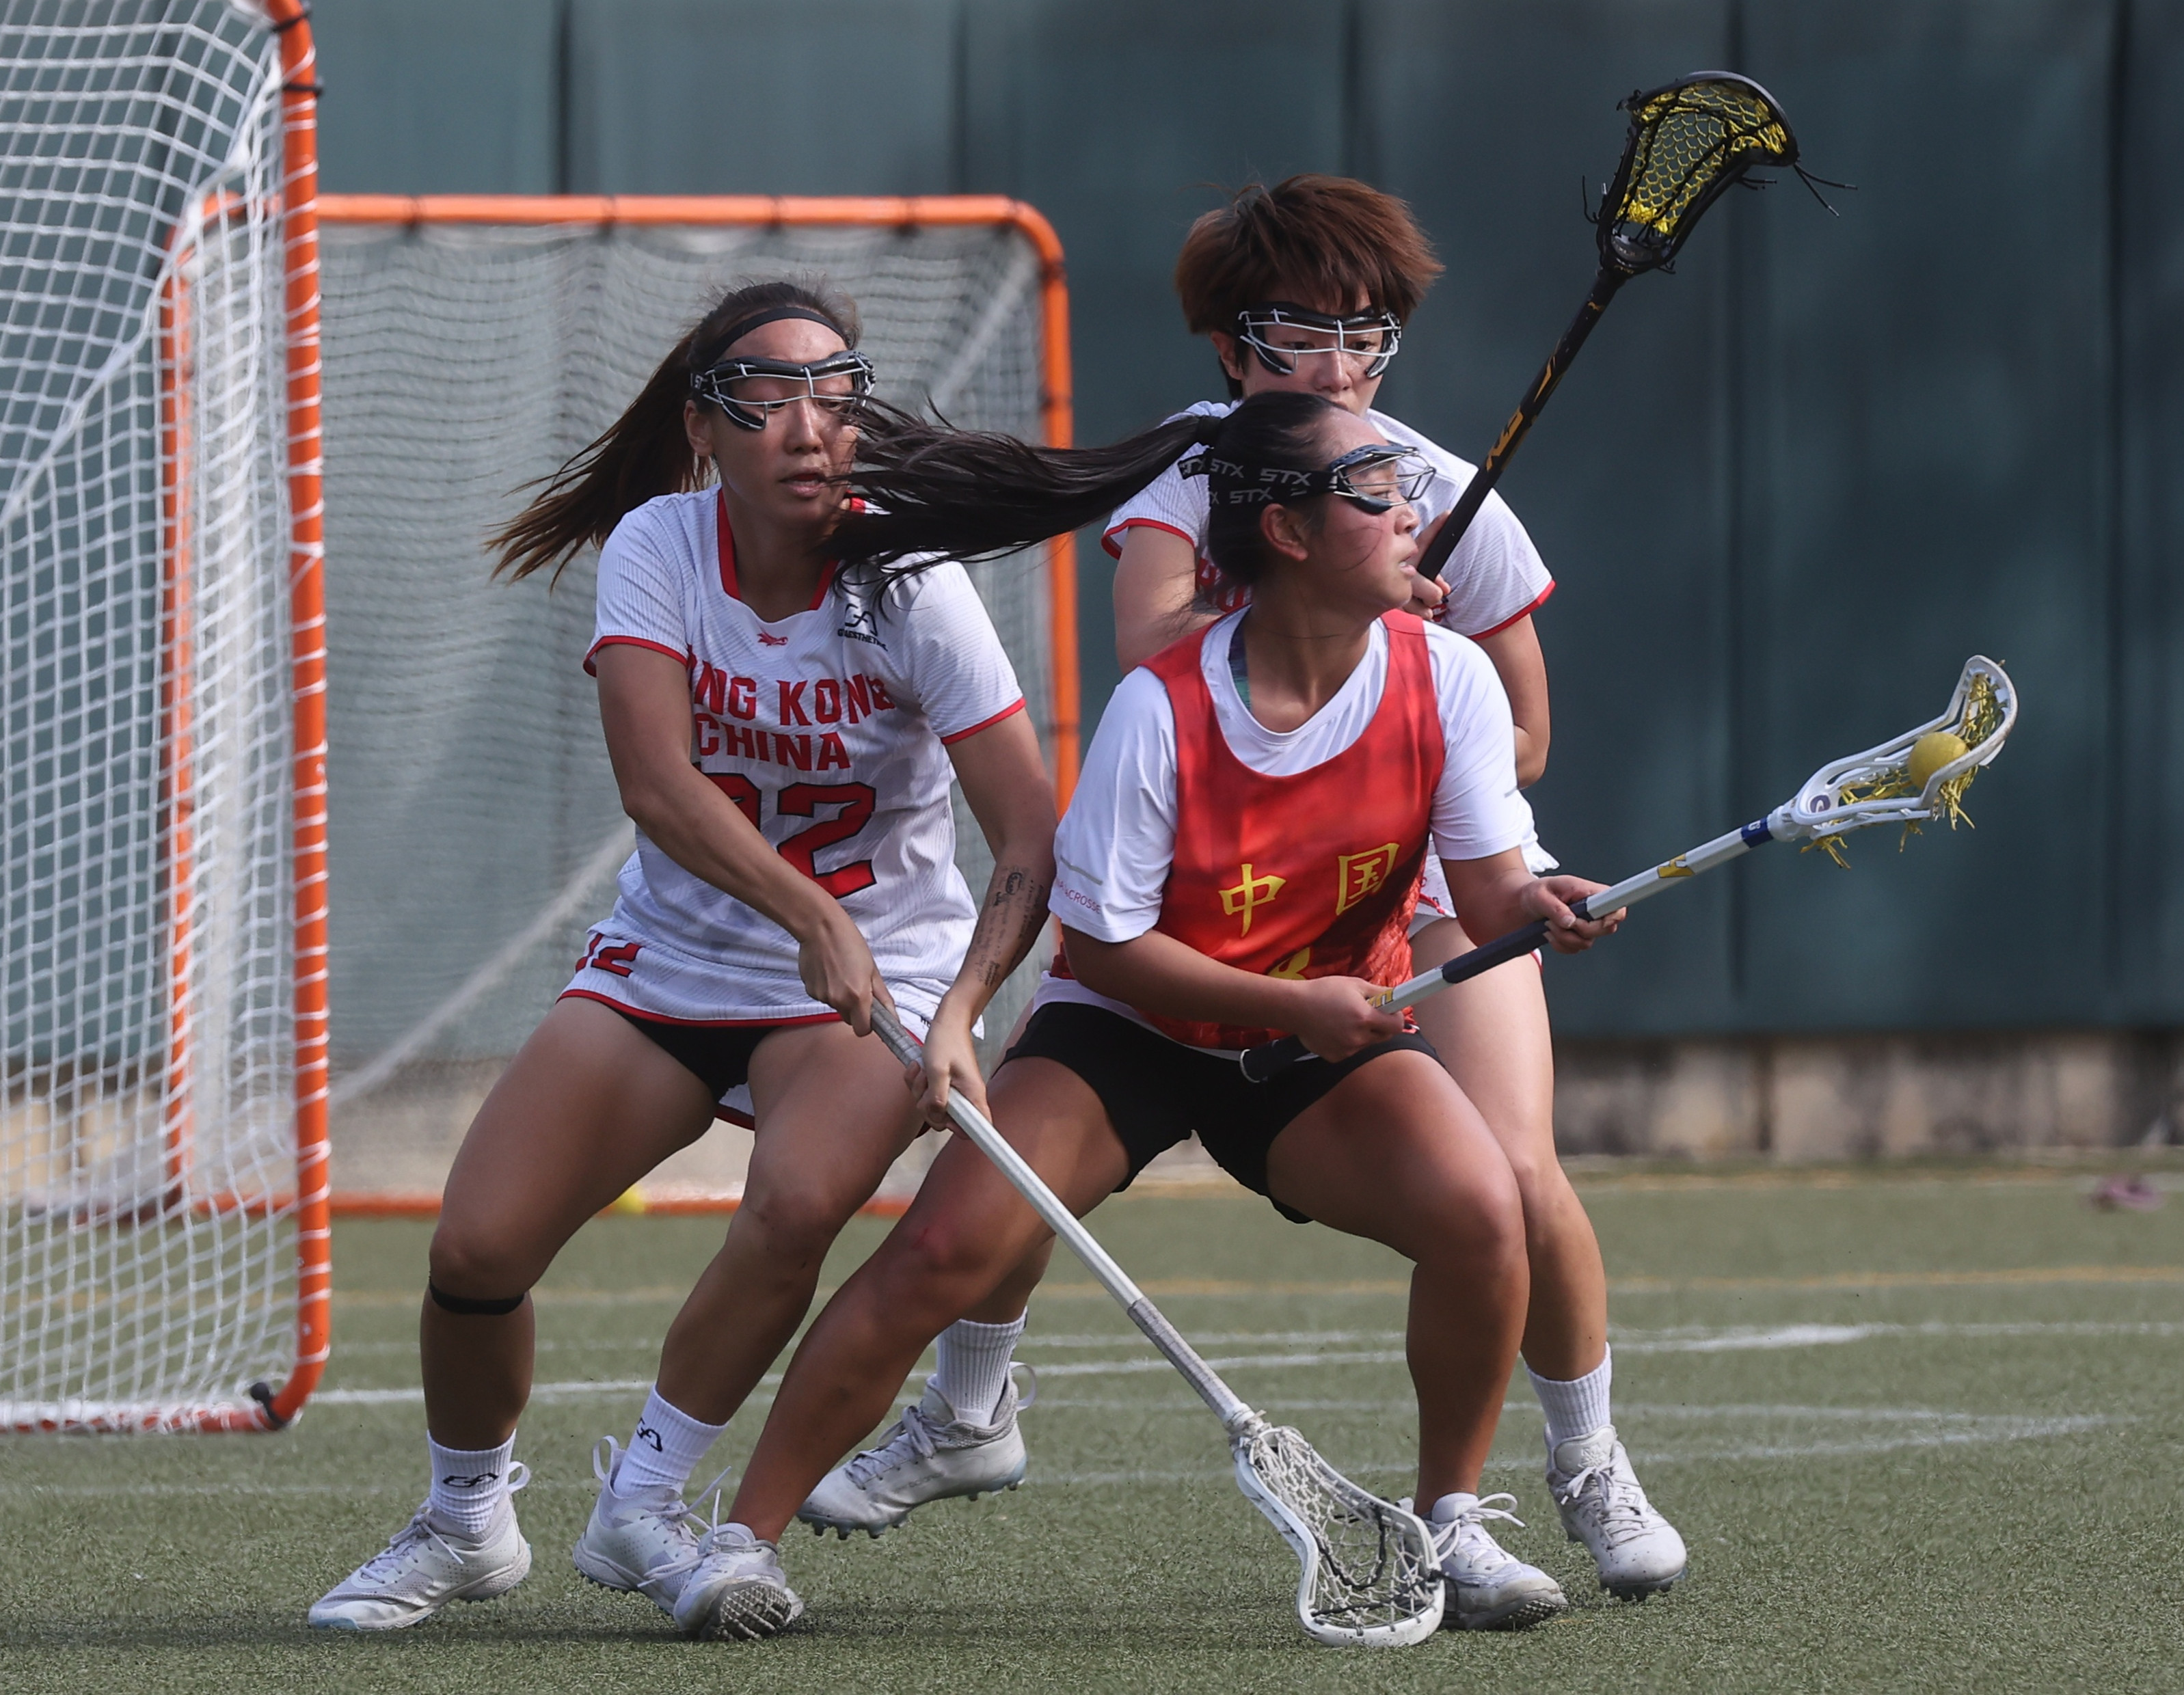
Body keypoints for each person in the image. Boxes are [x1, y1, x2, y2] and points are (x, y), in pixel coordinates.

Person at [821, 175, 1686, 1602]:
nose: (1336, 363)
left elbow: (1525, 730)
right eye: (1300, 332)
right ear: (1230, 346)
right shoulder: (1196, 476)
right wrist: (1327, 608)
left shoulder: (1429, 486)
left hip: (1420, 874)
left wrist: (1413, 653)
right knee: (1045, 1097)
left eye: (1364, 335)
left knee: (1512, 1174)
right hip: (1230, 872)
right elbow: (1156, 637)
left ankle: (1581, 1468)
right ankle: (971, 1404)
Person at [668, 390, 1626, 1640]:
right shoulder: (1164, 708)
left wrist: (1543, 903)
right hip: (1133, 1033)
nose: (1414, 512)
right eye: (1376, 491)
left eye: (1405, 487)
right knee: (942, 1257)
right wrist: (1292, 1002)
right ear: (1285, 532)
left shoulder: (1447, 678)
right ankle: (739, 1545)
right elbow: (1111, 953)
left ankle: (1447, 1521)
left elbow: (1491, 884)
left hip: (1312, 1040)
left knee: (1483, 1210)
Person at [306, 279, 1058, 1632]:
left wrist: (958, 1009)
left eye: (836, 396)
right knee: (475, 1245)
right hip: (678, 957)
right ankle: (465, 1518)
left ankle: (647, 1499)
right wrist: (806, 912)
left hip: (875, 980)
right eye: (768, 400)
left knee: (792, 1204)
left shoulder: (913, 585)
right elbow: (656, 785)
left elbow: (1025, 837)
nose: (809, 427)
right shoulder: (659, 545)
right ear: (704, 431)